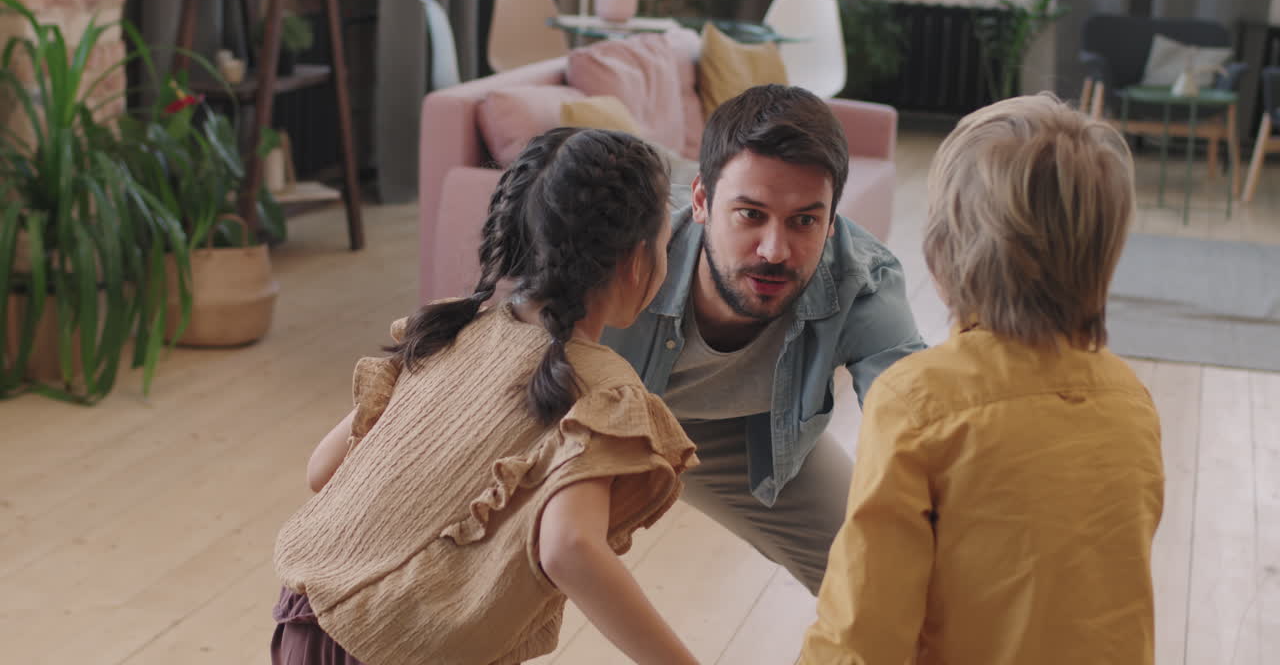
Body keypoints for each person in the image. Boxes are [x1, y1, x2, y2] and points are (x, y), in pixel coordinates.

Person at [271, 128, 701, 665]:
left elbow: (322, 469)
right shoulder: (603, 389)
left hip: (303, 619)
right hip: (392, 647)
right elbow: (569, 548)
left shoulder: (452, 326)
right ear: (637, 260)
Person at [799, 94, 1165, 664]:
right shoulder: (1130, 399)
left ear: (941, 256)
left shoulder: (917, 403)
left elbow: (863, 634)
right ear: (1103, 257)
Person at [602, 84, 926, 593]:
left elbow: (920, 424)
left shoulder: (862, 280)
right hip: (585, 413)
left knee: (890, 580)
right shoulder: (620, 245)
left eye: (804, 221)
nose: (775, 250)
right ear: (703, 201)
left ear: (832, 220)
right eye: (751, 214)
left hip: (743, 434)